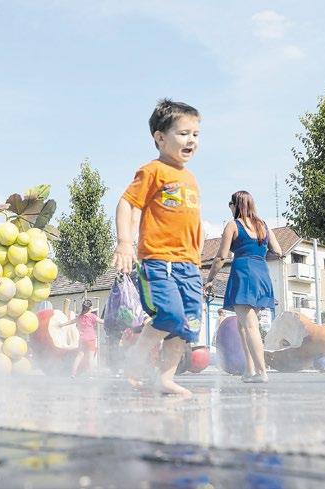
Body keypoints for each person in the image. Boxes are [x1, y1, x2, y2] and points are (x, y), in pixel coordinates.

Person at [113, 98, 203, 396]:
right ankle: (135, 360)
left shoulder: (189, 178)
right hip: (158, 261)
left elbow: (193, 223)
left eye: (195, 134)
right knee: (170, 316)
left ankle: (165, 378)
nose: (191, 139)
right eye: (183, 133)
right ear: (160, 138)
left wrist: (198, 258)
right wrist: (125, 243)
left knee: (187, 324)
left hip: (189, 265)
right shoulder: (152, 171)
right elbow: (127, 203)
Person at [204, 190, 282, 383]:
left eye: (230, 205)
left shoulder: (233, 225)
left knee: (250, 326)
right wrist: (259, 256)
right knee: (242, 326)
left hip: (244, 274)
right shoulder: (263, 225)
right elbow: (278, 252)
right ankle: (249, 370)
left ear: (235, 205)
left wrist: (210, 279)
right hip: (261, 274)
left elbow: (221, 257)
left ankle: (262, 372)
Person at [59, 299, 104, 378]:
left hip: (82, 339)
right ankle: (91, 375)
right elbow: (102, 321)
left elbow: (71, 321)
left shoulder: (80, 317)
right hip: (91, 339)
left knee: (79, 356)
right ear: (91, 307)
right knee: (90, 357)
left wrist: (62, 324)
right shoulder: (92, 316)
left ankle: (73, 374)